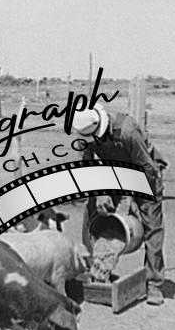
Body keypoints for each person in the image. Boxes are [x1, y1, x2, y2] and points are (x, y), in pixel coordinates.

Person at [72, 103, 168, 305]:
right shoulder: (85, 131)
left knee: (152, 226)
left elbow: (147, 168)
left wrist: (130, 198)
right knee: (92, 209)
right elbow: (86, 166)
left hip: (146, 175)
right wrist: (101, 193)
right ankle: (95, 267)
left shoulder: (127, 132)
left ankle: (154, 282)